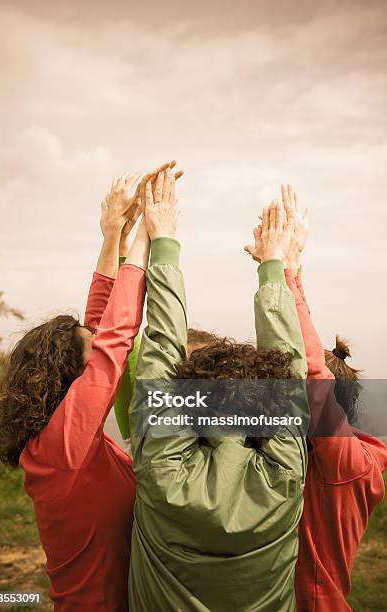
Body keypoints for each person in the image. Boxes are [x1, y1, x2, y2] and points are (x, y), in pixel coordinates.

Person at [0, 162, 179, 611]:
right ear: (72, 374)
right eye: (88, 354)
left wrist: (112, 233)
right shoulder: (63, 446)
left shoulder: (61, 436)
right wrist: (152, 235)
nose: (96, 350)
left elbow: (96, 327)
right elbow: (113, 337)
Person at [127, 179, 310, 611]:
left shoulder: (163, 471)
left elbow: (158, 353)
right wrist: (276, 266)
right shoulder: (284, 475)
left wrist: (163, 241)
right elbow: (290, 370)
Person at [271, 184, 387, 611]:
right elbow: (314, 363)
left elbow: (312, 372)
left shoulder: (349, 464)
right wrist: (295, 270)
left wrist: (283, 270)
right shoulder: (338, 457)